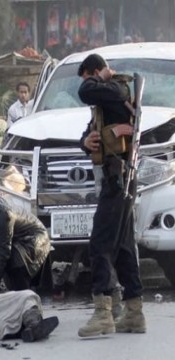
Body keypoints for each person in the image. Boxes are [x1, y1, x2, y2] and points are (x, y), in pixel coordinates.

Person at [77, 53, 145, 337]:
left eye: (89, 76)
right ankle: (134, 311)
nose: (87, 84)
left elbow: (84, 91)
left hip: (118, 178)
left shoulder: (115, 89)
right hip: (115, 177)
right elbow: (91, 132)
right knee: (125, 246)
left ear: (95, 72)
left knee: (100, 243)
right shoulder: (105, 100)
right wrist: (85, 141)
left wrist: (100, 77)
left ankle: (103, 312)